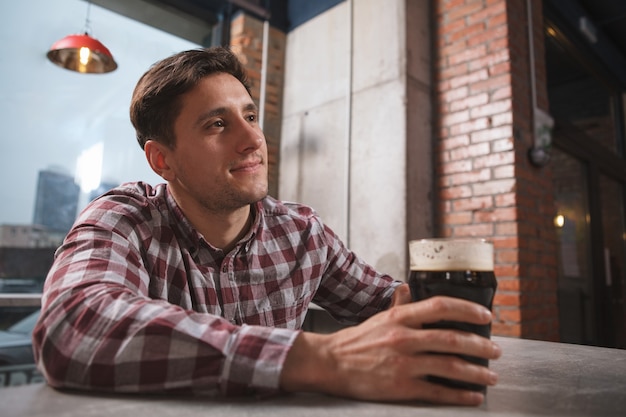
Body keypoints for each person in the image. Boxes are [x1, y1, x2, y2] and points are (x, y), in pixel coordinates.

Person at [32, 47, 501, 406]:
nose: (253, 138)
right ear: (163, 160)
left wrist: (426, 310)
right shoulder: (122, 218)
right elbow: (72, 327)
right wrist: (317, 359)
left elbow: (385, 302)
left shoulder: (300, 233)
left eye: (251, 116)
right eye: (218, 124)